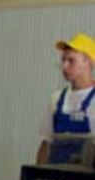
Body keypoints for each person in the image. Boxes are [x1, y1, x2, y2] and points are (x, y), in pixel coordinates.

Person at [38, 33, 95, 164]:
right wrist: (37, 174)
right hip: (56, 174)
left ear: (89, 62)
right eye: (63, 60)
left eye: (71, 60)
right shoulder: (56, 99)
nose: (64, 66)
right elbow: (46, 144)